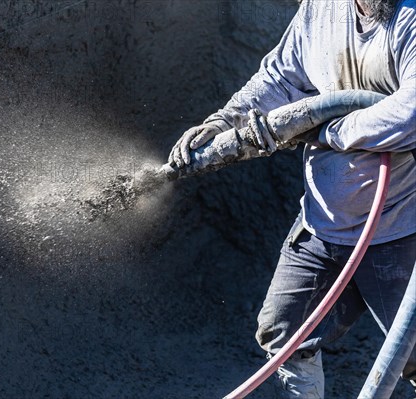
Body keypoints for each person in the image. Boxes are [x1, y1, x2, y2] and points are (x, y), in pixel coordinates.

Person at [168, 0, 416, 397]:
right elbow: (279, 80)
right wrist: (224, 121)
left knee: (412, 352)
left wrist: (324, 130)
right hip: (322, 225)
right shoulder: (321, 9)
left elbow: (411, 114)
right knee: (284, 332)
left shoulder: (409, 19)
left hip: (399, 229)